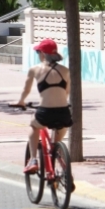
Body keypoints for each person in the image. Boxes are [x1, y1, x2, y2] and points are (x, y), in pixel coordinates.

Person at [15, 38, 73, 173]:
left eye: (38, 52)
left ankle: (33, 159)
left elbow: (26, 90)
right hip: (64, 112)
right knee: (62, 127)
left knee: (34, 126)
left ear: (42, 53)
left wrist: (21, 101)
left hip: (45, 112)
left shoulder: (35, 69)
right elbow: (67, 92)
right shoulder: (65, 70)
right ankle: (56, 150)